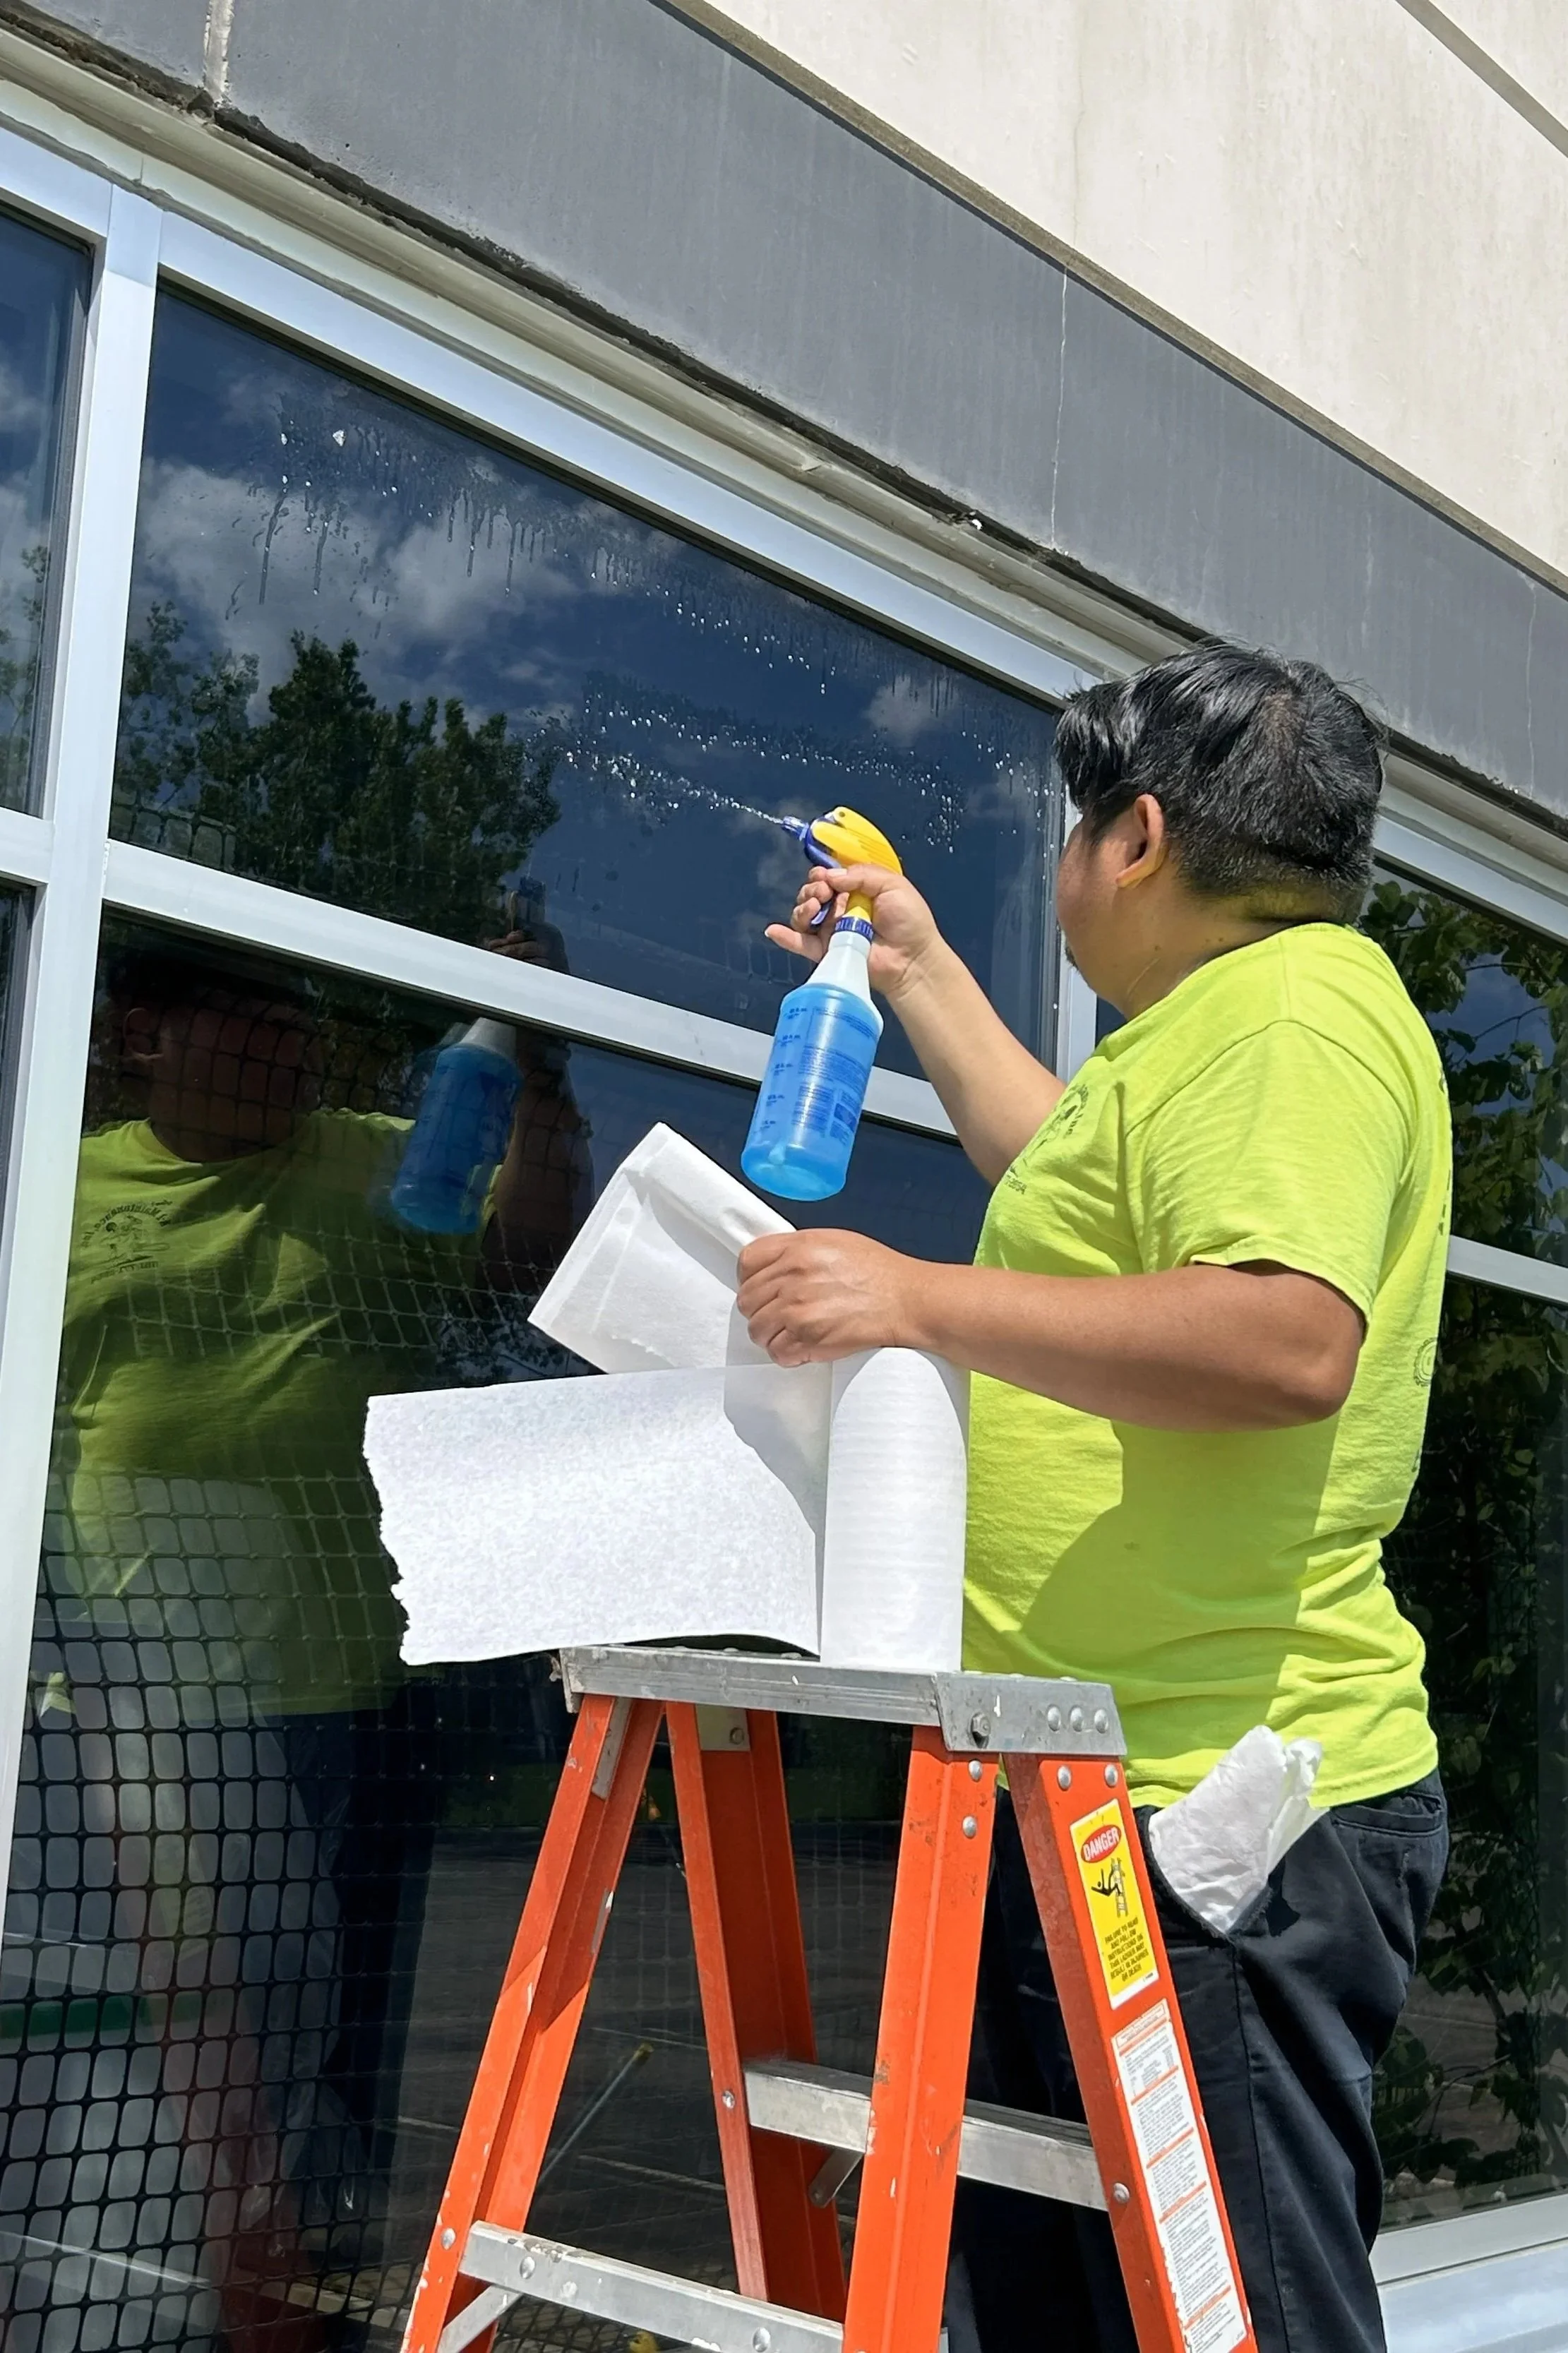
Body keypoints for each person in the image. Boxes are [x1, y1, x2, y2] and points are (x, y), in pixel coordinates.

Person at [736, 643, 1451, 2353]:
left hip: (1220, 1812)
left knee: (1228, 2313)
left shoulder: (1297, 1017)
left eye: (1070, 832)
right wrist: (912, 972)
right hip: (1100, 1785)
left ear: (1136, 836)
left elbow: (1283, 1336)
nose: (1061, 867)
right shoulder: (1214, 1034)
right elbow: (1069, 1186)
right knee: (1070, 2306)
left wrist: (912, 1296)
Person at [16, 924, 588, 2352]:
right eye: (262, 1017)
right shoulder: (55, 1179)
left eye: (311, 1024)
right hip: (121, 1689)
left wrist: (538, 1033)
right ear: (148, 1033)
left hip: (343, 1694)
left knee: (318, 2034)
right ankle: (150, 2300)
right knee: (156, 2038)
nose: (302, 1046)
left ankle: (295, 2307)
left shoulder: (378, 1160)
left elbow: (533, 1241)